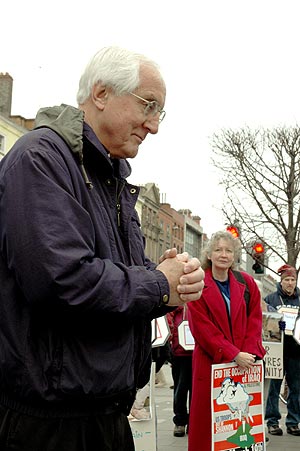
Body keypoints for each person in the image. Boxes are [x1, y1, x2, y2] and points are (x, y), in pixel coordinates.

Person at [0, 46, 205, 451]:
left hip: (103, 414)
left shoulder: (107, 176)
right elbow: (64, 281)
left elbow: (117, 276)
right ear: (101, 94)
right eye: (149, 106)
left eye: (160, 112)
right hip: (49, 425)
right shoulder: (41, 159)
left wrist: (165, 279)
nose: (154, 126)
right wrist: (158, 284)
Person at [187, 230, 266, 451]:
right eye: (218, 250)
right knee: (208, 425)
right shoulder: (198, 283)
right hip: (210, 363)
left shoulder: (247, 283)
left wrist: (248, 353)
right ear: (209, 254)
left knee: (239, 424)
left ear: (235, 255)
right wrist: (233, 353)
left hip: (242, 365)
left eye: (229, 250)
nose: (224, 254)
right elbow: (202, 329)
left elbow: (255, 321)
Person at [264, 264, 300, 436]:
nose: (290, 283)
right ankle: (272, 421)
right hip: (277, 351)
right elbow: (262, 323)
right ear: (281, 281)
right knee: (274, 388)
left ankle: (293, 421)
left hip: (297, 352)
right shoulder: (271, 299)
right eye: (287, 279)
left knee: (296, 387)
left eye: (293, 279)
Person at [167, 306, 193, 437]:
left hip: (200, 351)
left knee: (197, 390)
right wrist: (172, 334)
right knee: (180, 389)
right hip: (180, 351)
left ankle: (194, 422)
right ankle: (180, 421)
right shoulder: (180, 294)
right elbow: (168, 314)